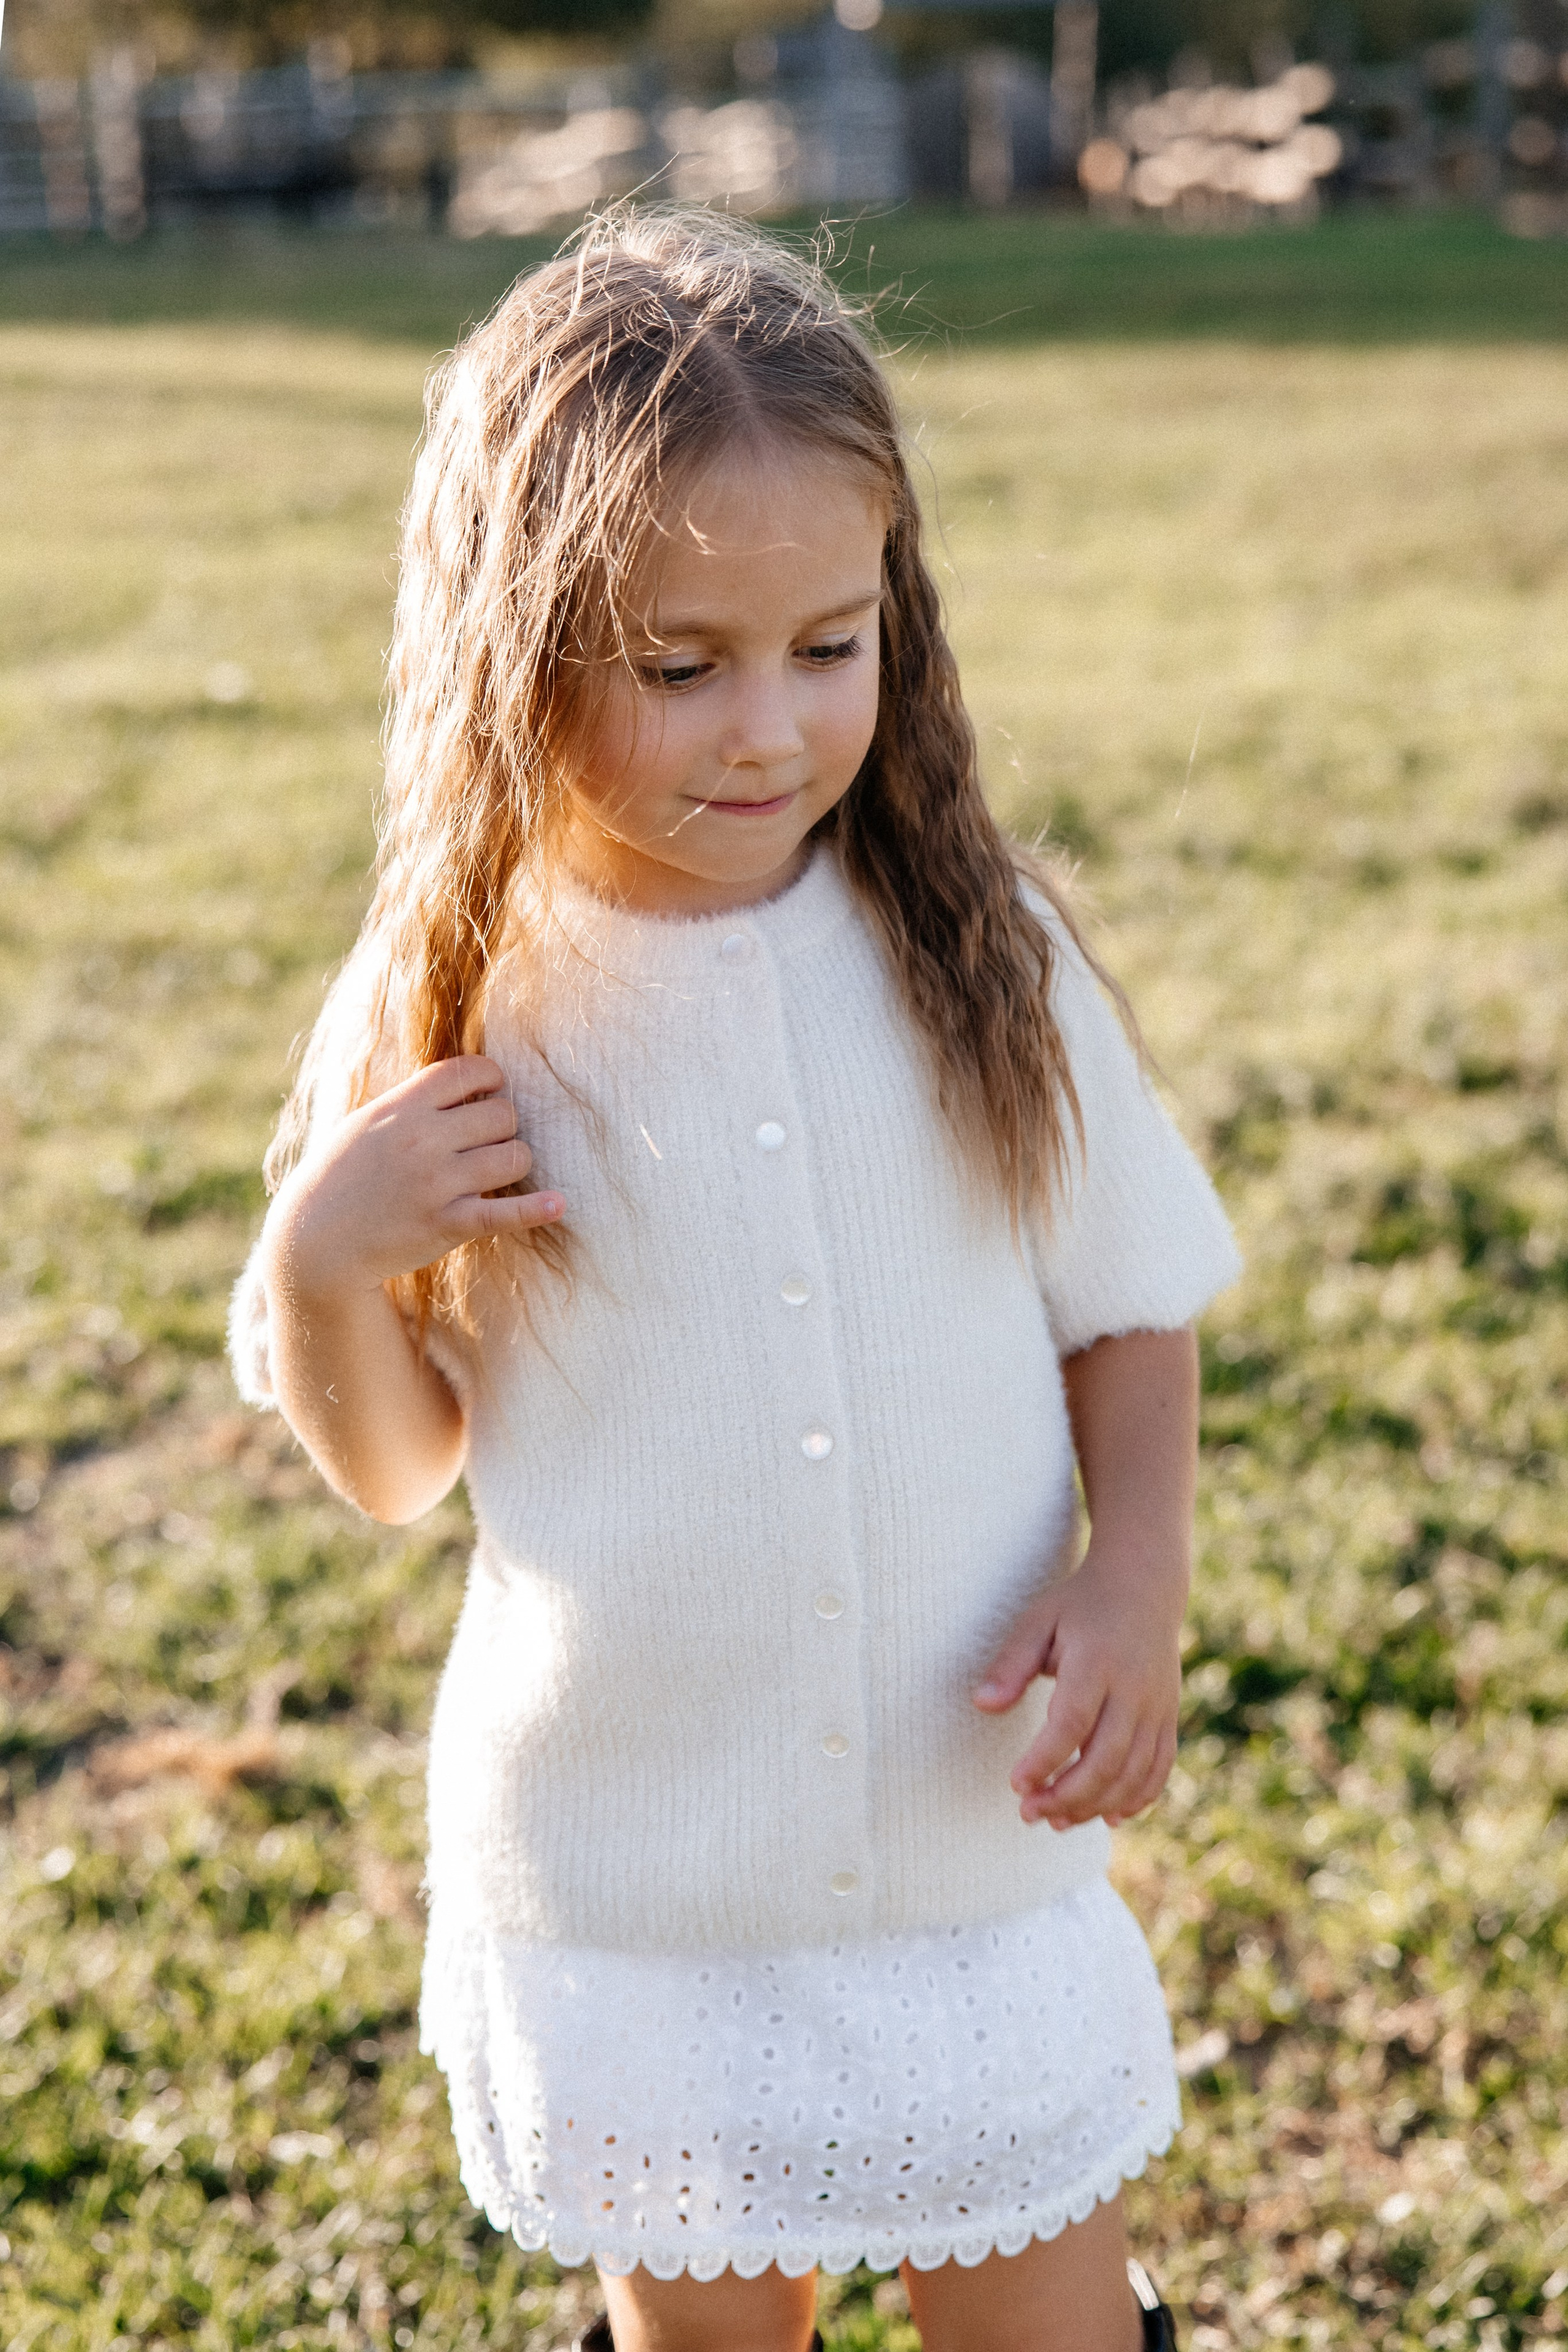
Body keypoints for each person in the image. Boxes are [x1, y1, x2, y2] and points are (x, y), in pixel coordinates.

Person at [229, 205, 1240, 2352]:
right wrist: (328, 1261)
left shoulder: (980, 959)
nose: (768, 730)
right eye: (680, 668)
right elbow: (399, 1466)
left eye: (829, 646)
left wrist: (1136, 1566)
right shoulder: (457, 1007)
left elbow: (1127, 1298)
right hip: (643, 1889)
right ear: (517, 644)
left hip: (967, 1849)